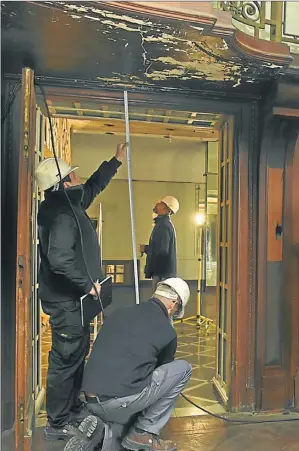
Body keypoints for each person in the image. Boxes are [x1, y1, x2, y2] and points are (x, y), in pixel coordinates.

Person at [35, 143, 127, 441]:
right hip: (67, 301)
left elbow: (93, 187)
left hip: (74, 301)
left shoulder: (69, 204)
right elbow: (60, 258)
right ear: (62, 183)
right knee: (65, 358)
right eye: (73, 175)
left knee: (76, 354)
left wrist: (115, 161)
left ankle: (72, 409)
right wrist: (88, 284)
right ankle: (58, 421)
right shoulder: (62, 213)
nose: (79, 177)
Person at [67, 278, 192, 451]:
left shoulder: (120, 312)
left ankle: (104, 432)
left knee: (122, 419)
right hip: (118, 401)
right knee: (183, 369)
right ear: (173, 304)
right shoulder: (168, 332)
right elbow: (161, 375)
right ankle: (144, 432)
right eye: (176, 310)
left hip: (90, 396)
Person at [140, 196, 179, 292]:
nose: (157, 203)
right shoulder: (163, 224)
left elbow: (162, 250)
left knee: (159, 302)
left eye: (161, 203)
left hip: (162, 275)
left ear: (166, 209)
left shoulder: (164, 226)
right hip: (163, 273)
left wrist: (145, 249)